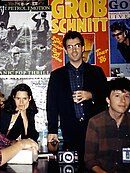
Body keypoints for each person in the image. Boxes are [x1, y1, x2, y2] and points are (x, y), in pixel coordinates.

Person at [46, 31, 107, 168]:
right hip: (69, 132)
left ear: (83, 47)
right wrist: (52, 130)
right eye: (70, 46)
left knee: (96, 166)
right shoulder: (57, 76)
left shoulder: (97, 72)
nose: (74, 50)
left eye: (77, 46)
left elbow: (107, 97)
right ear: (65, 50)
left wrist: (91, 95)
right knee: (71, 167)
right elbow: (52, 106)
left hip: (95, 129)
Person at [85, 77, 130, 173]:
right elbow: (90, 160)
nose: (122, 101)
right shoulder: (95, 123)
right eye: (117, 96)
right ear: (108, 100)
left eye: (126, 96)